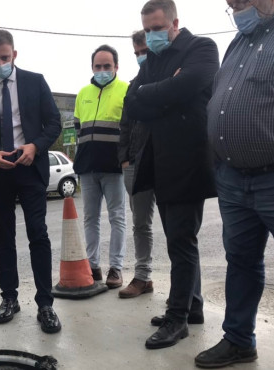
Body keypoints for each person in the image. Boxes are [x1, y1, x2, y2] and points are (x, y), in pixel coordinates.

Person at [195, 1, 274, 369]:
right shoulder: (241, 40)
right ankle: (238, 340)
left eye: (242, 0)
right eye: (230, 2)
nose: (235, 6)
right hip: (235, 179)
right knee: (241, 264)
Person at [122, 0, 219, 349]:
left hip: (188, 161)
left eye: (157, 28)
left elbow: (188, 86)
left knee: (181, 241)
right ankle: (192, 308)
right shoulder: (156, 60)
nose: (151, 36)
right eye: (147, 30)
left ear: (175, 22)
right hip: (160, 163)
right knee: (177, 239)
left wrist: (154, 94)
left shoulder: (202, 48)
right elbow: (133, 103)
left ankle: (176, 318)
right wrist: (162, 91)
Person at [0, 29, 62, 334]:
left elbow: (54, 122)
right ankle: (9, 298)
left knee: (38, 233)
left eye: (5, 57)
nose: (0, 63)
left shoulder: (35, 81)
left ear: (14, 55)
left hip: (30, 168)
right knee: (3, 237)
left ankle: (45, 304)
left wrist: (35, 146)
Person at [73, 44, 128, 289]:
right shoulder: (82, 93)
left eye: (107, 66)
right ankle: (92, 266)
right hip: (88, 166)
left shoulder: (126, 90)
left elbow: (130, 129)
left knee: (117, 217)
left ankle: (116, 268)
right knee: (90, 218)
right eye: (98, 66)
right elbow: (77, 128)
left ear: (116, 67)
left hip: (114, 167)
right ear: (92, 67)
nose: (102, 70)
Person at [117, 30, 157, 299]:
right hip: (137, 165)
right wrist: (124, 158)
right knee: (140, 224)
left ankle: (187, 294)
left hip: (168, 163)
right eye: (137, 53)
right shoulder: (133, 86)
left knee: (181, 232)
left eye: (146, 51)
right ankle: (143, 277)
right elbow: (125, 126)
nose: (142, 57)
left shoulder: (178, 78)